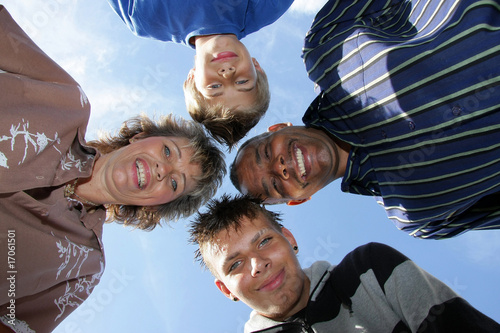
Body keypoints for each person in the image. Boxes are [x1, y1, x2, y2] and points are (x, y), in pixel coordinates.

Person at [0, 6, 225, 332]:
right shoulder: (64, 102)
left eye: (175, 183)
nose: (164, 170)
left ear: (156, 206)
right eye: (167, 151)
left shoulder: (83, 263)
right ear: (140, 136)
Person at [230, 0, 500, 239]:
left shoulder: (326, 46)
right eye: (276, 185)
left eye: (266, 153)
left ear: (278, 128)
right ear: (300, 200)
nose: (280, 168)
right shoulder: (418, 218)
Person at [189, 194, 500, 333]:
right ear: (224, 289)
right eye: (234, 265)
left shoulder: (369, 271)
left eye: (264, 241)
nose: (257, 264)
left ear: (289, 238)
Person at [107, 0, 294, 147]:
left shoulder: (144, 18)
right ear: (257, 67)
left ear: (192, 78)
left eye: (215, 87)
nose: (227, 74)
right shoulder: (269, 5)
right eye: (242, 82)